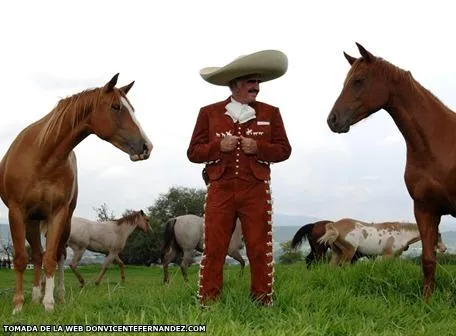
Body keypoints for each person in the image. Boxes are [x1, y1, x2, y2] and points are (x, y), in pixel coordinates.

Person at [187, 50, 292, 306]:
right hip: (220, 189)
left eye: (258, 82)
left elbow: (284, 150)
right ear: (235, 84)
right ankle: (208, 302)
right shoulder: (209, 113)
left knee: (259, 248)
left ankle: (262, 300)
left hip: (256, 189)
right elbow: (193, 152)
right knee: (214, 248)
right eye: (250, 82)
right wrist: (217, 147)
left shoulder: (271, 113)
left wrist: (259, 148)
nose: (256, 87)